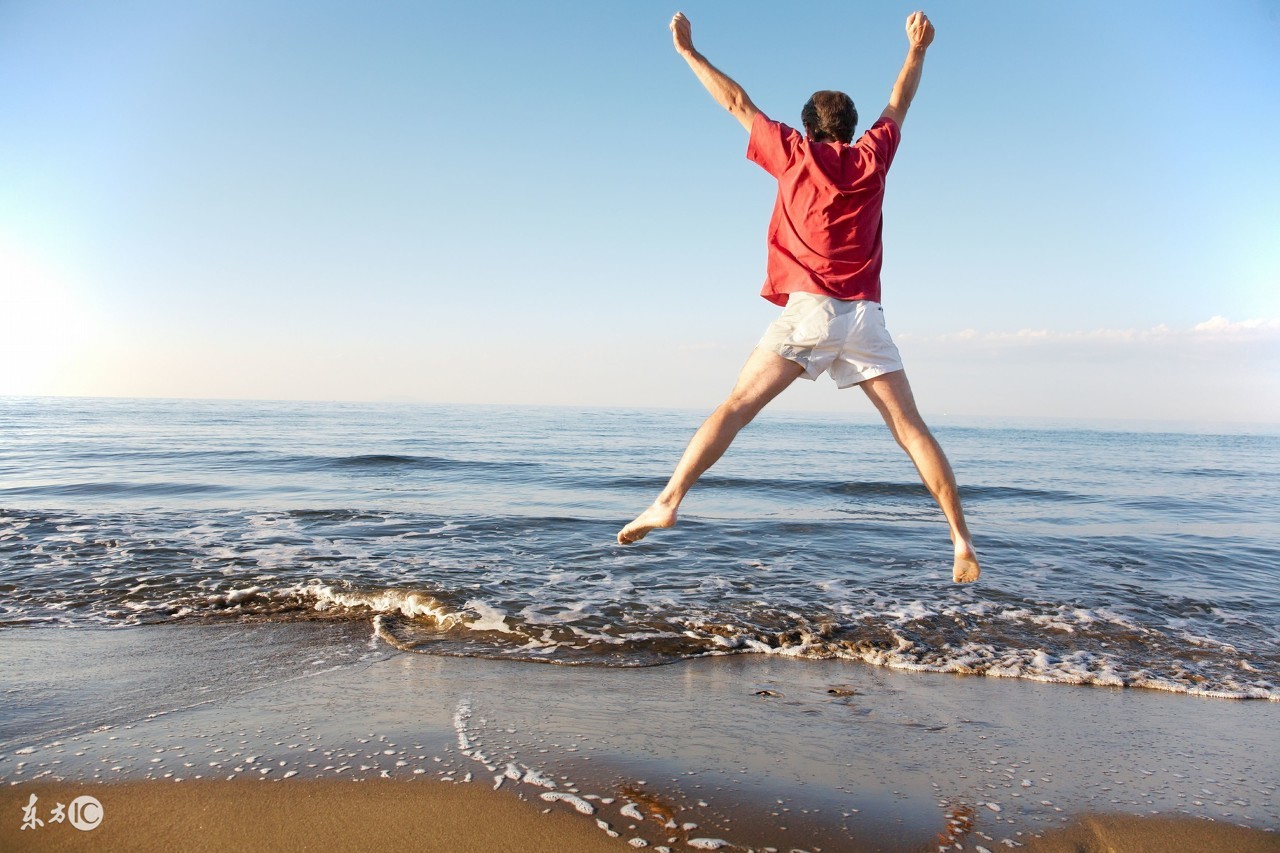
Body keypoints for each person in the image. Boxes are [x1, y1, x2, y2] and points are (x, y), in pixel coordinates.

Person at [617, 10, 981, 584]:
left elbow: (737, 103)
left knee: (735, 409)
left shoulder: (793, 153)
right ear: (852, 128)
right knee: (910, 427)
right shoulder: (874, 156)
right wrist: (918, 50)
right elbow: (899, 102)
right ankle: (960, 537)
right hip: (866, 317)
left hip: (809, 310)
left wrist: (689, 53)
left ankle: (667, 501)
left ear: (809, 127)